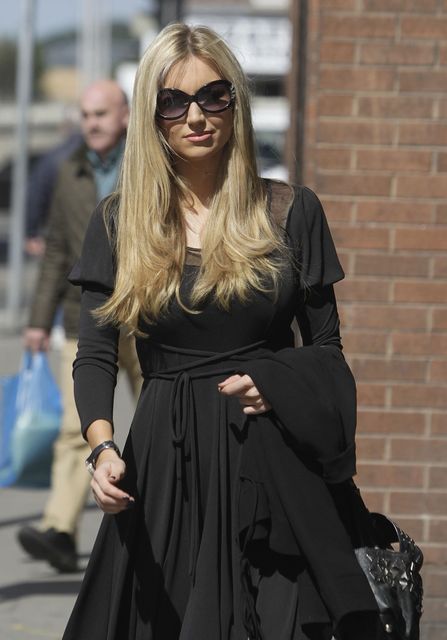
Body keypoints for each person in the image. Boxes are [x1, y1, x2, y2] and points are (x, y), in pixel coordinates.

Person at [62, 24, 385, 640]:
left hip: (272, 458)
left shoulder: (291, 211)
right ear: (151, 116)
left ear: (235, 102)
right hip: (165, 461)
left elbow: (328, 351)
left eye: (214, 97)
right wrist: (102, 449)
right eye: (174, 102)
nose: (196, 116)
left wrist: (282, 386)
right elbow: (97, 354)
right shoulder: (119, 221)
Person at [17, 79, 141, 573]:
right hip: (82, 317)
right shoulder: (69, 173)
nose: (92, 123)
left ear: (125, 116)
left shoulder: (147, 169)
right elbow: (54, 252)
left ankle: (173, 518)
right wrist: (35, 321)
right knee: (76, 428)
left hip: (148, 318)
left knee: (165, 415)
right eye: (86, 115)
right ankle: (60, 530)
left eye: (101, 114)